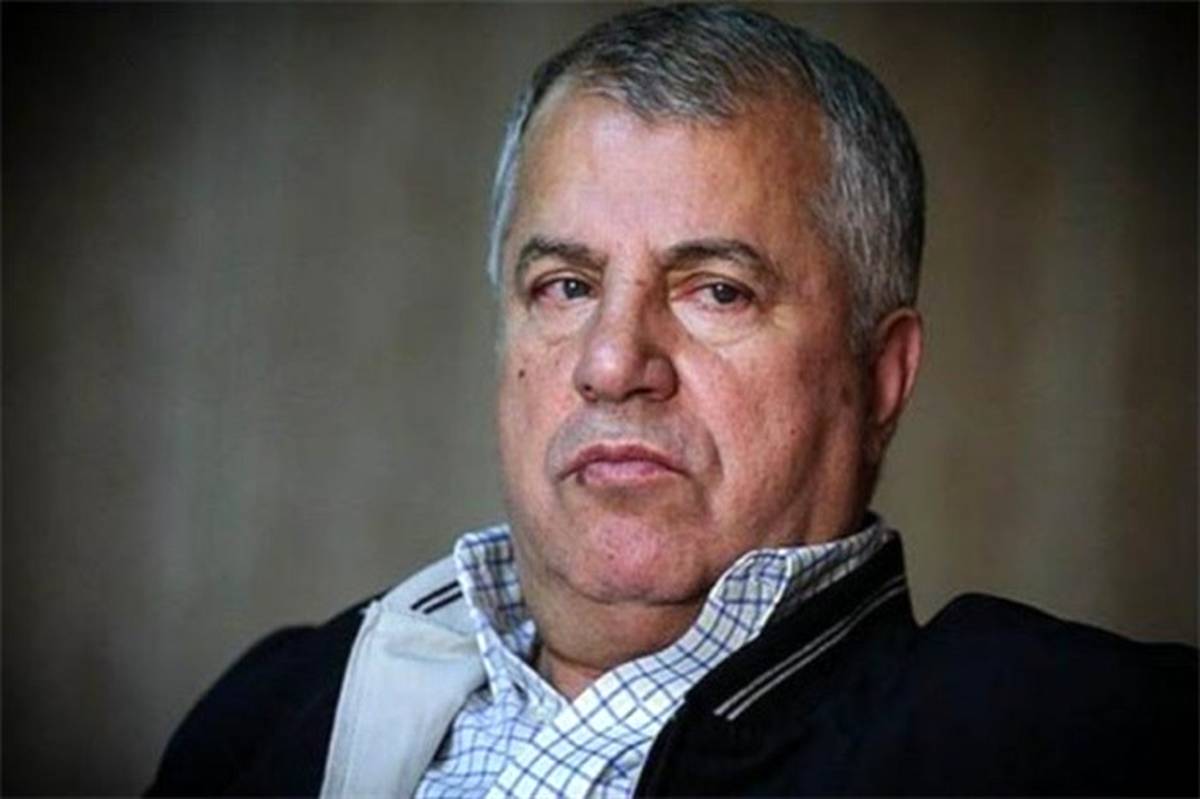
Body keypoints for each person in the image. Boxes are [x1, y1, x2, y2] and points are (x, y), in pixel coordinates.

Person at [148, 4, 1197, 796]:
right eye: (566, 286)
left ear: (881, 378)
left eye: (716, 291)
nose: (613, 363)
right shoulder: (270, 713)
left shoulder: (1075, 743)